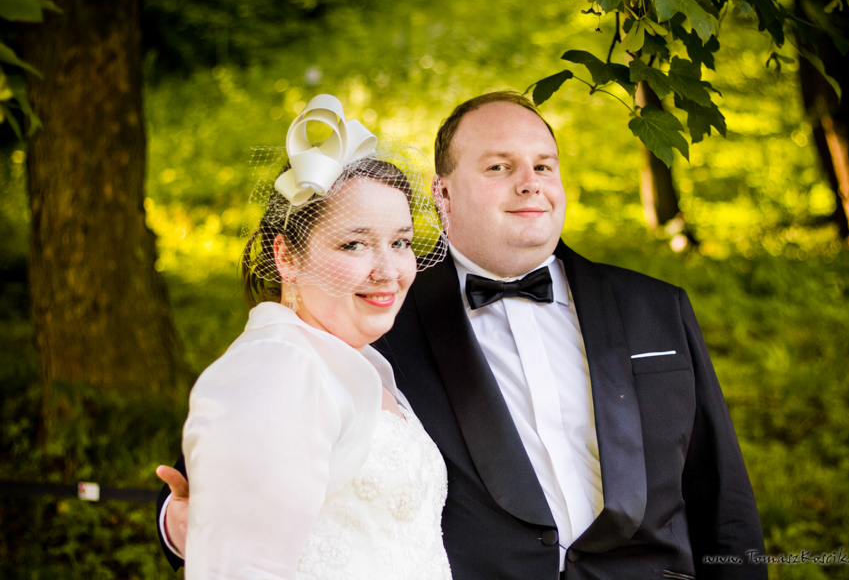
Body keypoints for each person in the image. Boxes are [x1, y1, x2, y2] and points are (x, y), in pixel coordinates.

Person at [159, 91, 767, 579]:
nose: (529, 182)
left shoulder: (655, 308)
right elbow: (234, 464)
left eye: (543, 165)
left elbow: (723, 499)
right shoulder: (375, 313)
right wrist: (179, 522)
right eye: (499, 167)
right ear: (442, 193)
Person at [166, 94, 452, 579]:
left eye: (400, 242)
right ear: (287, 257)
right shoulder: (279, 366)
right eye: (354, 243)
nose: (389, 269)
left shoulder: (357, 363)